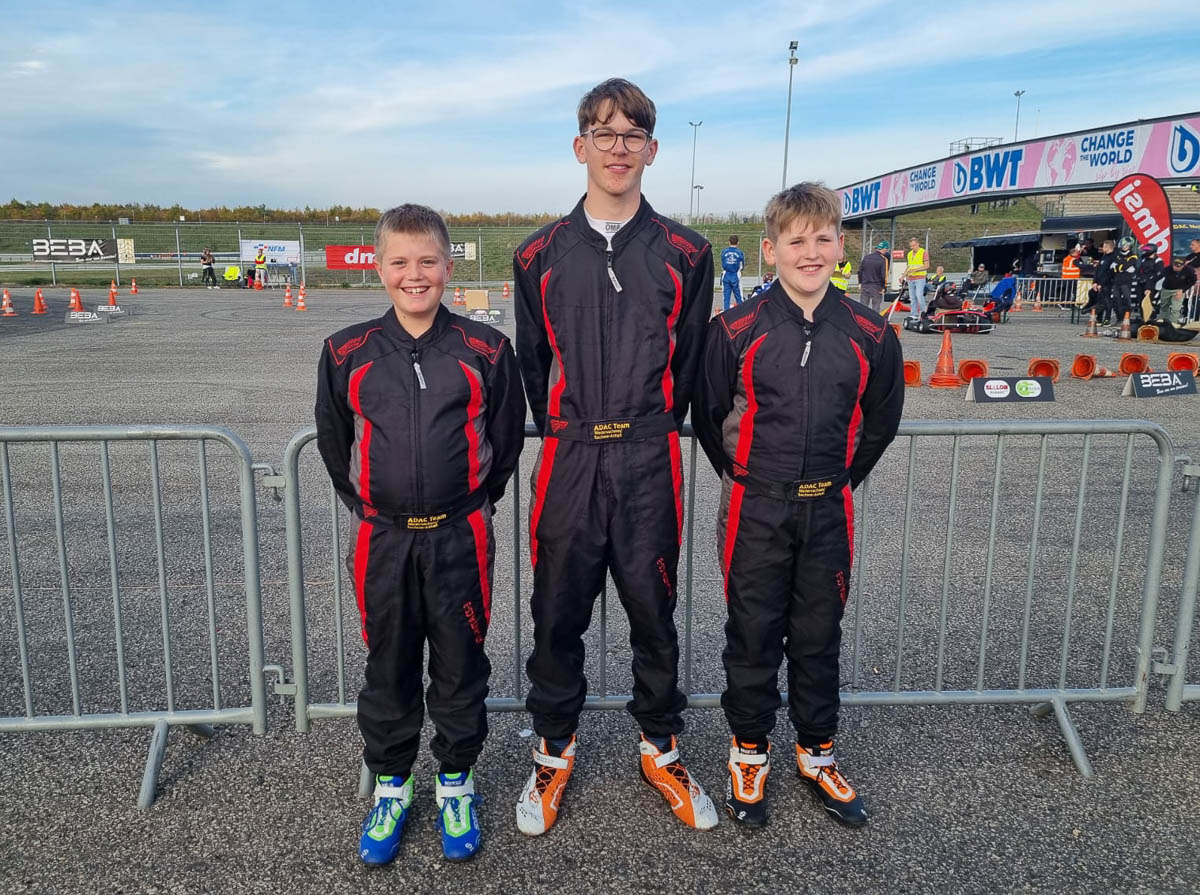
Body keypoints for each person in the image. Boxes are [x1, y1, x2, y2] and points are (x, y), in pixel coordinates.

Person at [512, 78, 718, 836]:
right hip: (570, 458)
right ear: (581, 147)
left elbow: (690, 362)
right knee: (556, 615)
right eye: (604, 133)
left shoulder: (687, 252)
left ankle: (661, 748)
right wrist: (570, 427)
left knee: (653, 614)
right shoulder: (537, 254)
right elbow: (534, 362)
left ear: (652, 150)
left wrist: (648, 424)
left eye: (633, 134)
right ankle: (553, 751)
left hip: (647, 458)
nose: (618, 147)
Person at [316, 204, 526, 866]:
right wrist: (371, 505)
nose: (415, 274)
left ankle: (456, 782)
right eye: (400, 262)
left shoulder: (486, 349)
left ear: (447, 266)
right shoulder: (346, 351)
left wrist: (469, 502)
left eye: (428, 261)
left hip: (460, 534)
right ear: (379, 268)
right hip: (382, 539)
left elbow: (505, 441)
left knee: (461, 663)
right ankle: (392, 786)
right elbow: (334, 443)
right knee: (389, 665)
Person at [693, 181, 903, 830]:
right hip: (754, 508)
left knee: (818, 637)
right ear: (771, 249)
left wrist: (833, 480)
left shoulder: (871, 332)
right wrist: (752, 478)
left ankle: (817, 752)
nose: (810, 252)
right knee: (752, 635)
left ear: (841, 246)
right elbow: (710, 417)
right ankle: (749, 751)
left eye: (822, 239)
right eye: (795, 240)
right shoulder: (734, 329)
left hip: (828, 509)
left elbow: (880, 423)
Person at [1160, 256, 1197, 326]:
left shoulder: (1189, 270)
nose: (1176, 268)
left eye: (1178, 266)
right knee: (1164, 306)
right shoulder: (1167, 269)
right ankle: (1162, 323)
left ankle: (1173, 325)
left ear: (1183, 265)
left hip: (1179, 290)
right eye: (1174, 265)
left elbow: (1193, 281)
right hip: (1166, 289)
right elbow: (1157, 277)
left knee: (1175, 309)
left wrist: (1183, 290)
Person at [1088, 240, 1117, 325]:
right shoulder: (1104, 257)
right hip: (1099, 283)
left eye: (1103, 246)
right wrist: (1095, 282)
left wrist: (1101, 284)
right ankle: (1099, 318)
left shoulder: (1113, 258)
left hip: (1107, 283)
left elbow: (1109, 273)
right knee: (1099, 300)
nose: (1101, 248)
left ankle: (1107, 319)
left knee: (1107, 301)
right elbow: (1098, 270)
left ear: (1108, 247)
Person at [1111, 237, 1138, 326]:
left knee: (1126, 300)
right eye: (1123, 245)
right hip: (1116, 280)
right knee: (1116, 299)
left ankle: (1126, 318)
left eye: (1126, 245)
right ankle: (1119, 318)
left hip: (1126, 281)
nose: (1124, 247)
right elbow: (1114, 267)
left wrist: (1119, 265)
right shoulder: (1117, 254)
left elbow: (1128, 266)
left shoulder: (1133, 256)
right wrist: (1121, 266)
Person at [1135, 244, 1165, 323]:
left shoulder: (1158, 260)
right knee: (1140, 301)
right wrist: (1139, 277)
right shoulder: (1143, 258)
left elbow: (1159, 273)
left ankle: (1150, 317)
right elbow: (1138, 268)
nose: (1145, 252)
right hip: (1141, 282)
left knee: (1148, 301)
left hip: (1151, 284)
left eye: (1147, 250)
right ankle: (1143, 317)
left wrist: (1149, 281)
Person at [857, 241, 888, 313]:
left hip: (865, 285)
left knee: (863, 307)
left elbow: (860, 271)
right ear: (884, 249)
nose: (886, 252)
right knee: (876, 307)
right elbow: (884, 275)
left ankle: (862, 319)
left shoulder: (866, 257)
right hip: (876, 286)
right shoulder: (883, 260)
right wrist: (884, 287)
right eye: (886, 250)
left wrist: (860, 282)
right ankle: (874, 320)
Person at [904, 236, 928, 319]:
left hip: (920, 278)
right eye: (911, 246)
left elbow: (926, 266)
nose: (912, 247)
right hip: (910, 278)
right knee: (912, 297)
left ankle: (923, 312)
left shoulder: (923, 252)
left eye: (913, 245)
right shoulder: (909, 254)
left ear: (918, 244)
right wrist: (903, 276)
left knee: (919, 296)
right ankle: (914, 314)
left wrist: (915, 270)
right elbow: (909, 266)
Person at [721, 235, 745, 309]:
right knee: (739, 296)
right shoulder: (740, 253)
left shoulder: (724, 252)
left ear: (729, 242)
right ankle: (741, 312)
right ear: (738, 242)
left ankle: (726, 312)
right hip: (735, 275)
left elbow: (723, 263)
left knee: (726, 298)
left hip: (726, 275)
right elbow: (741, 266)